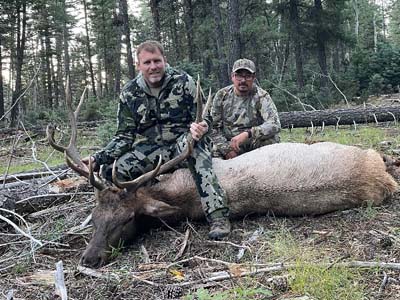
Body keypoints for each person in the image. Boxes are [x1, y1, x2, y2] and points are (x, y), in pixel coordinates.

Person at [84, 40, 230, 240]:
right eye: (147, 62)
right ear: (138, 65)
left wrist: (202, 127)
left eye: (156, 61)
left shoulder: (184, 81)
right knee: (113, 171)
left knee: (198, 147)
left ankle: (217, 215)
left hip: (182, 141)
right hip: (151, 148)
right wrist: (98, 158)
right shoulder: (130, 93)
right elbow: (124, 136)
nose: (153, 67)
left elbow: (207, 118)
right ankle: (116, 221)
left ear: (164, 61)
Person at [210, 58, 281, 159]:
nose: (243, 80)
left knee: (272, 141)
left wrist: (249, 133)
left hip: (254, 142)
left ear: (253, 77)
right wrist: (226, 149)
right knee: (213, 152)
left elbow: (275, 124)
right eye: (239, 76)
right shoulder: (222, 95)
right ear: (232, 76)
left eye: (248, 76)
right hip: (230, 144)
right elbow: (213, 127)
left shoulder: (261, 96)